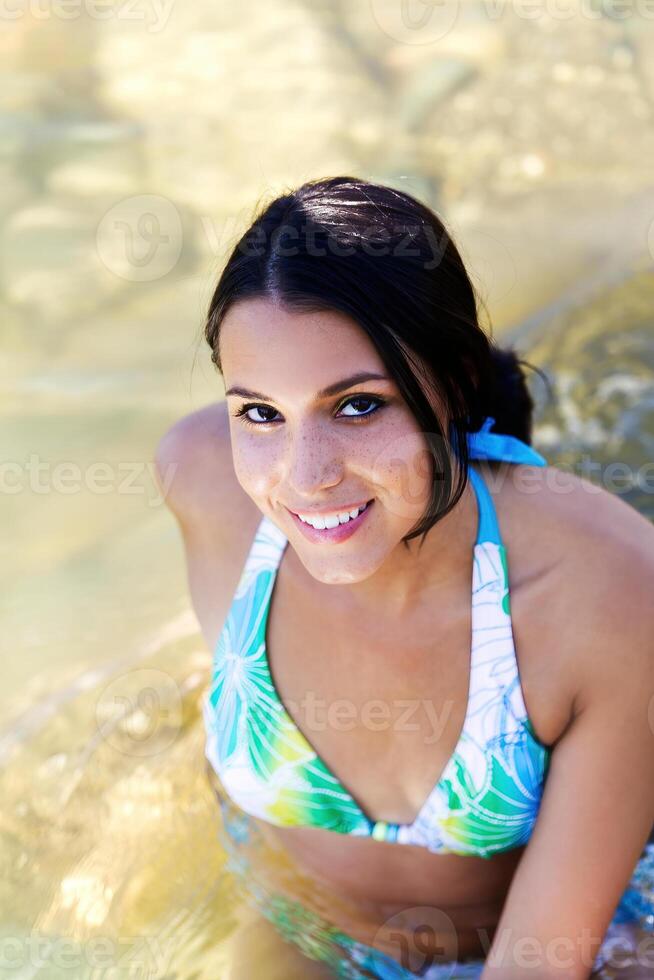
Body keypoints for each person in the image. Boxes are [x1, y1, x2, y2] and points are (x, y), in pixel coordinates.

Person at [155, 177, 654, 979]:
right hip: (303, 926)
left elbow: (541, 962)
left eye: (357, 406)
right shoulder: (203, 480)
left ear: (454, 381)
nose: (306, 476)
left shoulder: (609, 593)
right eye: (260, 412)